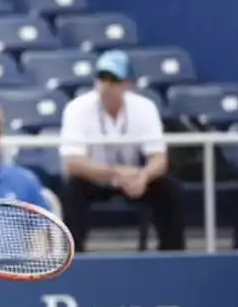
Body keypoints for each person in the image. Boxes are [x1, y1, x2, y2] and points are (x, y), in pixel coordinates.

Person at [58, 49, 184, 252]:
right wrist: (115, 172)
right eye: (102, 78)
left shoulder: (145, 107)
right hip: (94, 178)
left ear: (127, 84)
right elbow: (73, 163)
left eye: (114, 80)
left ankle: (173, 256)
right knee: (72, 190)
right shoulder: (77, 108)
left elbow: (159, 158)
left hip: (134, 178)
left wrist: (143, 177)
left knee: (168, 188)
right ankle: (74, 257)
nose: (106, 86)